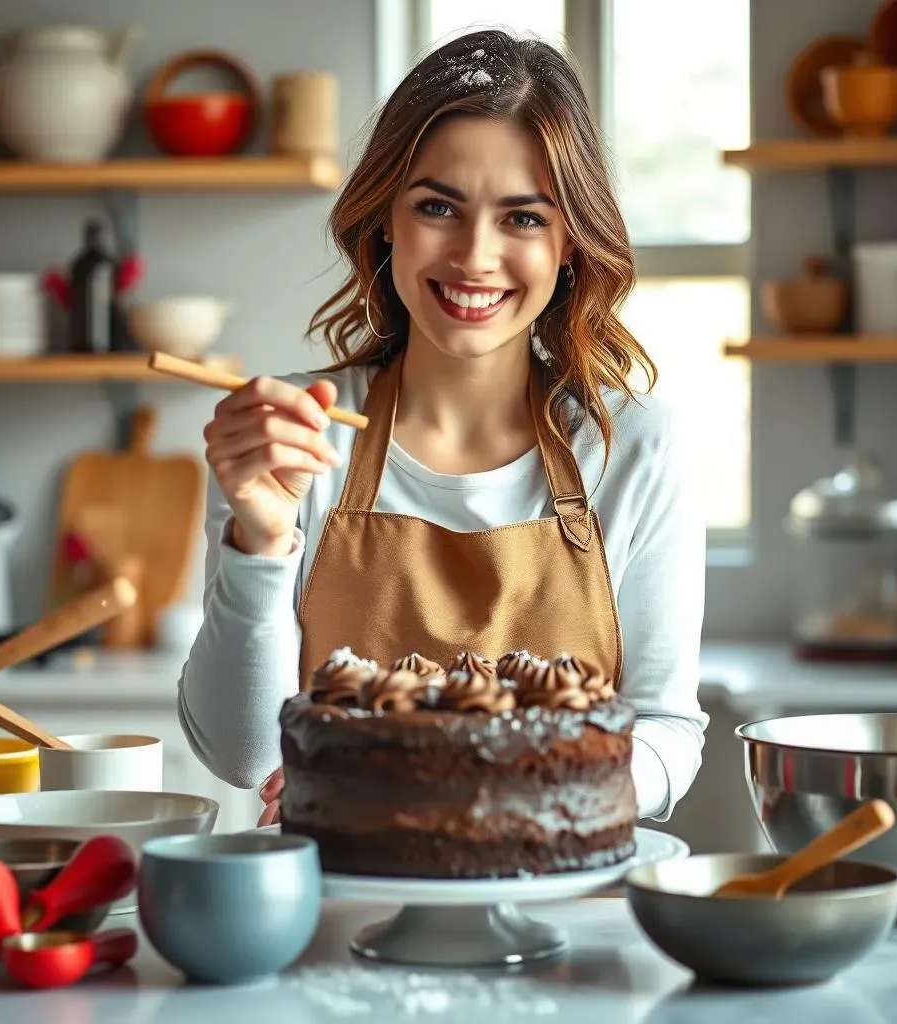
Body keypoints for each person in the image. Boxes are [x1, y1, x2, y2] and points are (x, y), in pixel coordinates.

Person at [177, 28, 708, 829]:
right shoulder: (293, 434)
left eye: (523, 219)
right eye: (437, 207)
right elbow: (244, 756)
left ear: (569, 246)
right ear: (386, 218)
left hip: (564, 924)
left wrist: (463, 787)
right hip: (334, 917)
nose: (474, 255)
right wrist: (260, 537)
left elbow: (669, 732)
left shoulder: (631, 444)